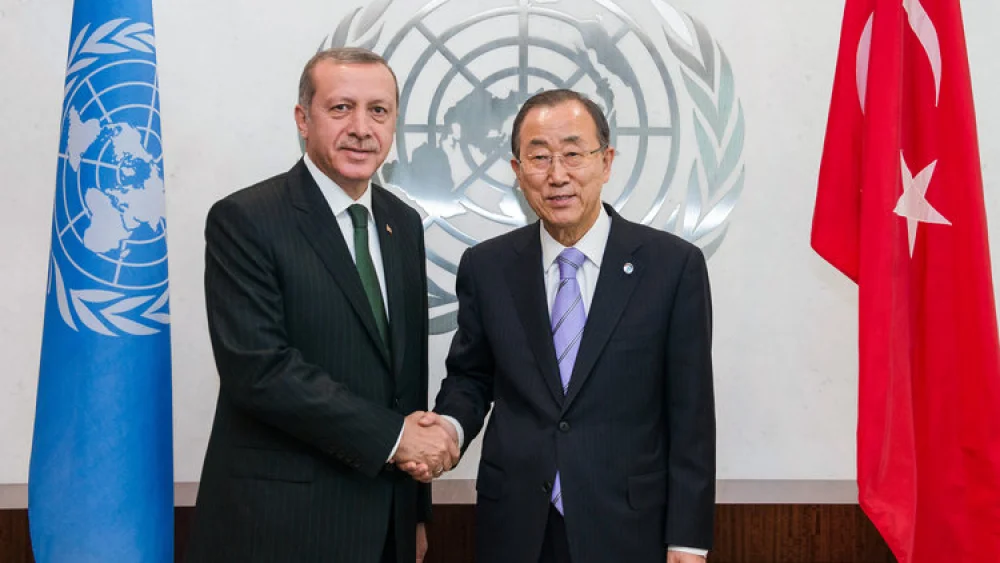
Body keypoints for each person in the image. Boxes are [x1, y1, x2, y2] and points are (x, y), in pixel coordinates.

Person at [405, 89, 716, 563]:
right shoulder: (488, 267)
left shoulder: (672, 267)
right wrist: (446, 428)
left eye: (573, 154)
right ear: (517, 172)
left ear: (606, 162)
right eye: (539, 157)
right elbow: (472, 376)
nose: (557, 176)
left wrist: (688, 540)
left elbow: (691, 417)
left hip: (629, 527)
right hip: (516, 525)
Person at [186, 47, 458, 563]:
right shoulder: (246, 219)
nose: (361, 127)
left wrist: (415, 512)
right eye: (341, 108)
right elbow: (259, 370)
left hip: (386, 526)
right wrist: (396, 439)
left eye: (378, 110)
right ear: (302, 120)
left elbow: (405, 381)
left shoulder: (403, 224)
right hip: (280, 527)